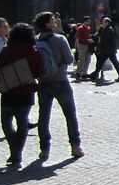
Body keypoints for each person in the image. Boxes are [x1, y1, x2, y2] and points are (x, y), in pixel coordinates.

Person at [33, 11, 83, 160]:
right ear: (47, 24)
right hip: (60, 81)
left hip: (43, 82)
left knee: (43, 116)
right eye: (52, 20)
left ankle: (44, 150)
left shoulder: (35, 40)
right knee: (70, 115)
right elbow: (70, 59)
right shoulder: (60, 39)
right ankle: (75, 146)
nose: (55, 21)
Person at [0, 22, 44, 167]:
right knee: (22, 123)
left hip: (9, 90)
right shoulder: (34, 51)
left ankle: (14, 149)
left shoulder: (7, 50)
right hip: (27, 90)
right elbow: (40, 72)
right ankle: (18, 153)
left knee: (6, 122)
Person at [88, 17, 119, 83]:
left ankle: (94, 75)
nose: (102, 22)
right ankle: (94, 75)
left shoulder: (109, 30)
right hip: (107, 50)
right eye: (102, 21)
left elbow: (105, 41)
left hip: (108, 50)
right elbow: (98, 36)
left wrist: (98, 46)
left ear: (107, 23)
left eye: (104, 21)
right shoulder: (103, 29)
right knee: (102, 62)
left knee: (103, 62)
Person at [73, 16, 94, 81]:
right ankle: (78, 73)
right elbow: (79, 38)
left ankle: (85, 73)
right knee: (82, 59)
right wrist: (87, 40)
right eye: (88, 21)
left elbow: (88, 36)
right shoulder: (80, 28)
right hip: (82, 45)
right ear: (85, 21)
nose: (89, 22)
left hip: (88, 45)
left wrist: (91, 39)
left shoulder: (88, 28)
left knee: (88, 59)